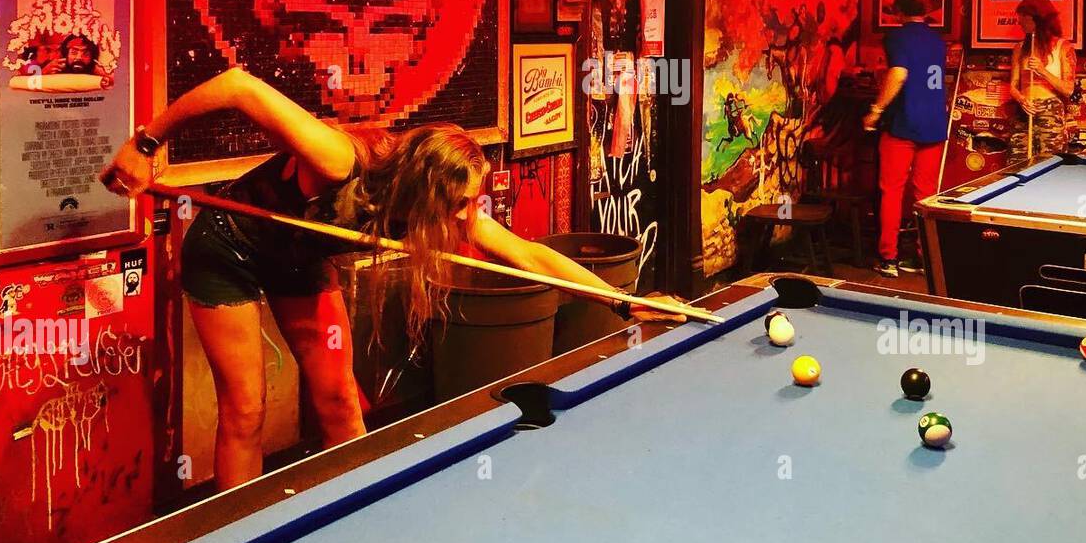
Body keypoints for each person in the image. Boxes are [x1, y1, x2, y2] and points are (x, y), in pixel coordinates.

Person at [100, 67, 673, 490]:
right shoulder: (340, 161)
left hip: (298, 258)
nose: (465, 217)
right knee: (247, 410)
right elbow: (238, 86)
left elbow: (530, 255)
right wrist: (146, 143)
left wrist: (623, 302)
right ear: (426, 190)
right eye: (459, 204)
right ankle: (238, 535)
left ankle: (357, 509)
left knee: (340, 400)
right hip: (229, 247)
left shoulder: (446, 208)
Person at [862, 0, 948, 278]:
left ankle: (888, 259)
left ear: (899, 12)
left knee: (892, 191)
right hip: (934, 123)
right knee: (926, 196)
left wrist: (876, 110)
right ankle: (927, 259)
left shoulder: (897, 37)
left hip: (903, 123)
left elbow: (898, 74)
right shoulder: (937, 41)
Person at [1008, 0, 1076, 162]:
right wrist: (1021, 99)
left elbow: (1068, 89)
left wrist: (1042, 70)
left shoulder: (1063, 47)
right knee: (1016, 163)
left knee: (1049, 162)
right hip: (1024, 111)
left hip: (1050, 112)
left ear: (1037, 18)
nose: (1019, 21)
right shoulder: (1019, 48)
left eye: (1023, 16)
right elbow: (1013, 86)